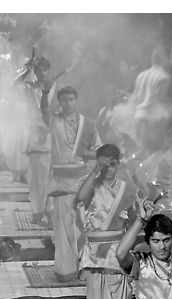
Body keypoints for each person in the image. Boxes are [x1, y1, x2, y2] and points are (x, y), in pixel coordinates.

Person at [75, 144, 136, 299]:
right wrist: (94, 171)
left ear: (118, 164)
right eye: (104, 164)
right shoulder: (91, 185)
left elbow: (134, 219)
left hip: (116, 250)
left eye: (112, 163)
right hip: (94, 252)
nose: (109, 168)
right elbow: (79, 199)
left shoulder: (126, 189)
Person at [41, 86, 101, 281]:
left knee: (81, 227)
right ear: (60, 103)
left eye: (71, 99)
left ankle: (83, 268)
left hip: (82, 184)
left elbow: (98, 151)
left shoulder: (88, 125)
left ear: (77, 101)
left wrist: (85, 155)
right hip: (60, 183)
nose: (68, 103)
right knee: (63, 229)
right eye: (64, 100)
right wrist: (44, 94)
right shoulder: (55, 121)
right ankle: (66, 271)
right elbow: (43, 112)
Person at [13, 56, 56, 221]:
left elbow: (49, 113)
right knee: (37, 180)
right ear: (35, 72)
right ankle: (38, 213)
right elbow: (12, 86)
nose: (42, 73)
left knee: (51, 178)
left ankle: (49, 212)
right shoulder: (29, 86)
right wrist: (26, 70)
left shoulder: (54, 88)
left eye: (45, 69)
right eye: (38, 70)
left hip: (49, 135)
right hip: (34, 137)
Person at [0, 33, 30, 183]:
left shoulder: (28, 62)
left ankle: (23, 172)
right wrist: (1, 46)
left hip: (22, 105)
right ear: (9, 45)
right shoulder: (3, 59)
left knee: (23, 139)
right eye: (12, 44)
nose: (15, 47)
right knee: (8, 141)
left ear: (21, 45)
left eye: (18, 43)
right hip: (7, 104)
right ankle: (14, 171)